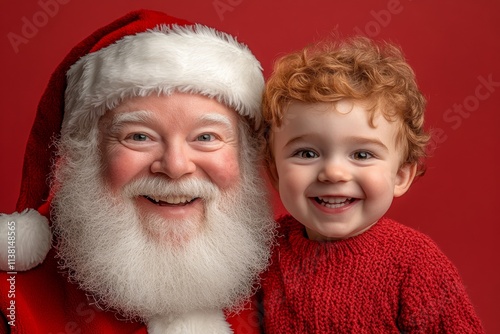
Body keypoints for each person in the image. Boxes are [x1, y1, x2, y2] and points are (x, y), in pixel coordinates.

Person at [0, 9, 275, 333]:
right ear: (87, 151)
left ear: (245, 153)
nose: (174, 167)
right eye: (139, 136)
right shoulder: (13, 299)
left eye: (206, 137)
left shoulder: (286, 281)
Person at [259, 36, 484, 333]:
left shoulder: (415, 265)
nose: (334, 173)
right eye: (307, 153)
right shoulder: (263, 254)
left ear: (400, 176)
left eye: (362, 154)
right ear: (275, 172)